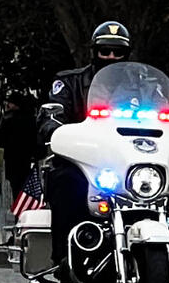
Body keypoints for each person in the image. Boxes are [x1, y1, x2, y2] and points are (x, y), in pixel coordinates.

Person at [41, 21, 135, 260]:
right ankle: (64, 257)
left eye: (118, 52)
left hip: (129, 161)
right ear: (95, 52)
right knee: (66, 182)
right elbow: (54, 113)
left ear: (127, 54)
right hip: (83, 161)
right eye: (105, 51)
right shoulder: (70, 82)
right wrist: (54, 126)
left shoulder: (142, 87)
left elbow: (164, 114)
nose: (111, 57)